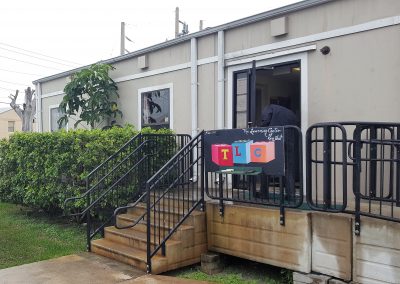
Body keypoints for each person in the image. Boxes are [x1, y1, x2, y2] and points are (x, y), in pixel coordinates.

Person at [260, 104, 299, 202]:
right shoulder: (291, 113)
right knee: (288, 169)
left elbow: (266, 120)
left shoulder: (270, 107)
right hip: (290, 140)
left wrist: (260, 128)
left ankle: (263, 194)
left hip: (275, 140)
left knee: (265, 166)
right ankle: (291, 196)